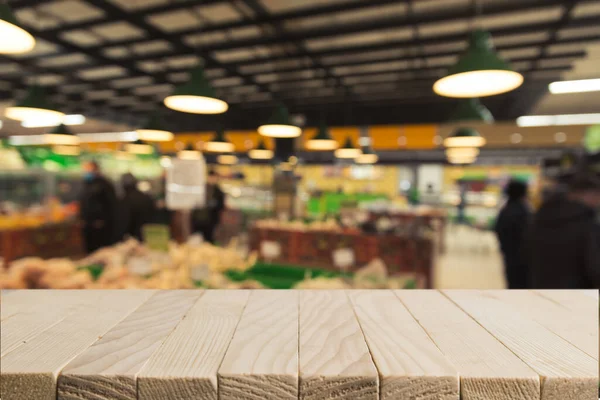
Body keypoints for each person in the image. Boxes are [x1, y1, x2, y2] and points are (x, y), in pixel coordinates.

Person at [527, 155, 600, 288]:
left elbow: (525, 256)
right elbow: (594, 266)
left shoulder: (541, 216)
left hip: (542, 290)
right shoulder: (586, 223)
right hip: (579, 296)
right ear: (587, 194)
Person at [494, 180, 531, 289]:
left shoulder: (505, 210)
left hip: (509, 255)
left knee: (512, 283)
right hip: (523, 258)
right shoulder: (524, 211)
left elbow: (498, 229)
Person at [79, 161, 119, 253]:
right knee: (90, 250)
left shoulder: (104, 184)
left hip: (100, 225)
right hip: (88, 224)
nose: (86, 171)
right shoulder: (86, 184)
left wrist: (103, 219)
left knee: (101, 250)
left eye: (88, 169)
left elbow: (111, 204)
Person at [119, 173, 156, 242]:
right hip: (149, 236)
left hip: (132, 239)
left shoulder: (126, 200)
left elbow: (124, 222)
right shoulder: (146, 198)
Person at [191, 169, 225, 243]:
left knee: (209, 239)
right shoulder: (201, 188)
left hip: (211, 220)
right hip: (198, 219)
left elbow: (221, 206)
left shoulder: (219, 191)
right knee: (196, 238)